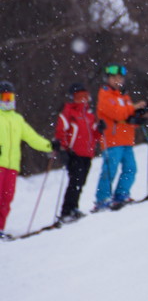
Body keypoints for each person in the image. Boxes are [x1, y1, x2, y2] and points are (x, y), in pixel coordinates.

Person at [0, 81, 55, 239]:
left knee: (6, 199)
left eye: (10, 97)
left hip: (12, 166)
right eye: (4, 97)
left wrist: (50, 145)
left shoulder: (17, 119)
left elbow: (32, 137)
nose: (7, 101)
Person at [93, 64, 148, 211]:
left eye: (120, 78)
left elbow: (127, 117)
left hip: (126, 139)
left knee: (131, 168)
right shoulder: (105, 95)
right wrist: (134, 108)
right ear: (108, 79)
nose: (117, 81)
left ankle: (121, 195)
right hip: (112, 140)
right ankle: (102, 199)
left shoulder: (124, 96)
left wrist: (141, 116)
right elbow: (117, 113)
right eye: (114, 78)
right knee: (109, 170)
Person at [54, 83, 104, 223]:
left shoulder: (89, 115)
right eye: (79, 97)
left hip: (87, 154)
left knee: (81, 181)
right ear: (73, 98)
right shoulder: (69, 112)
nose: (82, 99)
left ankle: (74, 208)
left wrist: (99, 130)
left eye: (85, 96)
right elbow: (61, 131)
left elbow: (94, 136)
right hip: (74, 153)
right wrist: (63, 149)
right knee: (75, 181)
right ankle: (66, 210)